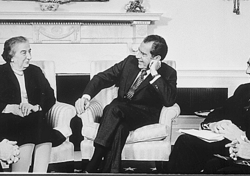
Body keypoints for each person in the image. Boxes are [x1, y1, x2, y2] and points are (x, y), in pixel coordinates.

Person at [165, 42, 250, 174]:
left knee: (217, 166)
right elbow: (220, 111)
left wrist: (242, 135)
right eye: (248, 64)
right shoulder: (244, 89)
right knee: (186, 142)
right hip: (228, 145)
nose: (247, 71)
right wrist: (213, 124)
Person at [75, 34, 177, 173]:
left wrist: (154, 73)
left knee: (113, 108)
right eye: (138, 51)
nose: (137, 56)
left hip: (143, 114)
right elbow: (103, 77)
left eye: (143, 53)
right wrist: (86, 97)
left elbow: (169, 100)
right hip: (120, 111)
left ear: (156, 58)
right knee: (120, 127)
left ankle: (94, 162)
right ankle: (111, 171)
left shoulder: (168, 73)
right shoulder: (130, 62)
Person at [0, 36, 65, 173]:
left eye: (29, 51)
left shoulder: (35, 71)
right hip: (6, 121)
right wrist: (9, 108)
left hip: (33, 118)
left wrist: (35, 106)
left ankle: (40, 173)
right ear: (11, 56)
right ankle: (20, 173)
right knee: (32, 123)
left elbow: (49, 96)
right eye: (24, 52)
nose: (29, 56)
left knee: (37, 119)